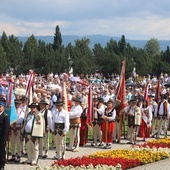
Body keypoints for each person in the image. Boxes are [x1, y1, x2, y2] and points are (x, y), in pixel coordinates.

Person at [8, 99, 25, 163]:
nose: (16, 105)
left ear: (20, 104)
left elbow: (20, 119)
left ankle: (19, 155)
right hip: (12, 127)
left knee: (18, 142)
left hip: (18, 127)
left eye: (17, 104)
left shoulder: (21, 111)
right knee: (12, 142)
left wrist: (14, 121)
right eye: (15, 104)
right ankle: (13, 155)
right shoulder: (12, 111)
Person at [0, 98, 10, 170]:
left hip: (1, 137)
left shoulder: (5, 116)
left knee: (2, 151)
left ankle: (2, 164)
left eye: (0, 106)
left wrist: (4, 138)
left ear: (3, 107)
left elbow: (6, 129)